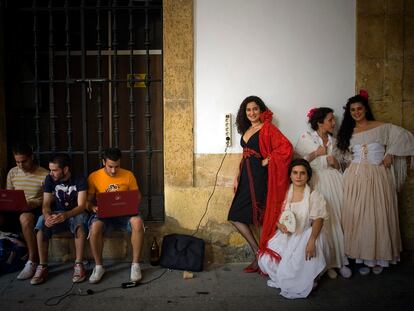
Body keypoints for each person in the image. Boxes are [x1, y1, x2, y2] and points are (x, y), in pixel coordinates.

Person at [337, 89, 414, 275]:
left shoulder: (381, 127)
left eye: (359, 108)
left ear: (365, 109)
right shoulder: (348, 132)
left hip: (378, 176)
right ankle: (362, 258)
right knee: (358, 216)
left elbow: (406, 137)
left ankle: (379, 258)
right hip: (355, 178)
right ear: (349, 112)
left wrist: (391, 153)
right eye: (352, 110)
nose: (356, 112)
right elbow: (341, 155)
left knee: (378, 215)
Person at [228, 96, 293, 273]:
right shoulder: (247, 130)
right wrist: (237, 175)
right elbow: (245, 155)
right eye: (248, 110)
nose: (252, 113)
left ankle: (270, 258)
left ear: (261, 110)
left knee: (263, 216)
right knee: (235, 215)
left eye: (255, 109)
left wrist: (268, 160)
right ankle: (258, 253)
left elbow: (286, 148)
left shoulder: (267, 128)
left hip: (259, 177)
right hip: (245, 177)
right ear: (244, 112)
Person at [258, 159, 328, 299]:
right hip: (286, 235)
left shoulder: (314, 195)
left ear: (308, 176)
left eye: (302, 173)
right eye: (295, 173)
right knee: (265, 260)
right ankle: (296, 274)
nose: (298, 176)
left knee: (300, 257)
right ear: (290, 175)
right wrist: (280, 225)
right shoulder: (284, 194)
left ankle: (305, 276)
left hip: (305, 234)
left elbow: (319, 219)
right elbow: (276, 215)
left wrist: (312, 240)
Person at [295, 107, 352, 279]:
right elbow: (297, 164)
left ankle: (341, 260)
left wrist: (335, 163)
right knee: (322, 222)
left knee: (338, 219)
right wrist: (315, 154)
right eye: (330, 120)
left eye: (333, 120)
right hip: (317, 182)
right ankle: (327, 264)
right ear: (320, 122)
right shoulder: (306, 138)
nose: (334, 123)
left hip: (334, 181)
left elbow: (345, 163)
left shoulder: (335, 141)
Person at [87, 147, 144, 284]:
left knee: (137, 222)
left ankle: (135, 265)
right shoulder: (94, 176)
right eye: (110, 166)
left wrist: (134, 201)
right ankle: (99, 266)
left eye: (117, 166)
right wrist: (93, 207)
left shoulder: (128, 175)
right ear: (103, 162)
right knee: (95, 227)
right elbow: (87, 201)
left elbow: (138, 196)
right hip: (105, 215)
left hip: (125, 213)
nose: (113, 170)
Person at [30, 154, 88, 285]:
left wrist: (66, 215)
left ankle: (78, 264)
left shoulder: (79, 179)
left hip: (75, 213)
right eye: (50, 169)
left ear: (65, 169)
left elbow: (82, 206)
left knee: (80, 224)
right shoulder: (49, 179)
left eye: (54, 170)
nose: (51, 173)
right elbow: (45, 205)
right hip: (57, 213)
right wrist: (47, 216)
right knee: (41, 224)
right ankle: (43, 266)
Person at [3, 143, 48, 280]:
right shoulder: (13, 172)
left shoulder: (44, 174)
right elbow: (9, 194)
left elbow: (48, 199)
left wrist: (32, 203)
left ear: (31, 157)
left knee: (25, 218)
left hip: (34, 208)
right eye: (17, 162)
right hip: (14, 208)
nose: (20, 165)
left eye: (24, 161)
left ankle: (32, 260)